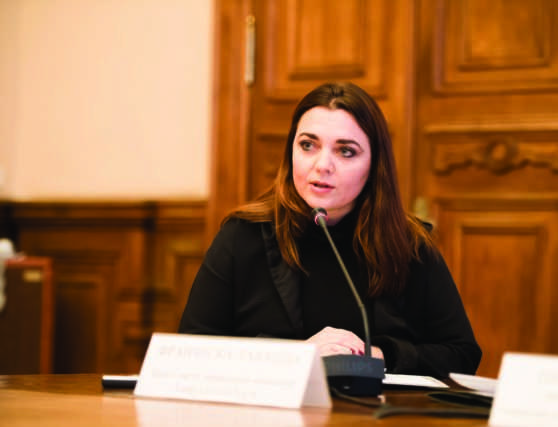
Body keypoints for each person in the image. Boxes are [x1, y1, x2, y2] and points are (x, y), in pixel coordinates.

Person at [179, 82, 481, 378]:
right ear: (290, 152)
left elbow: (462, 354)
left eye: (345, 152)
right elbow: (191, 352)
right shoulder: (242, 236)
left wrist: (380, 355)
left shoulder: (410, 245)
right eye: (308, 145)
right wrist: (297, 358)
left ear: (374, 165)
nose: (323, 165)